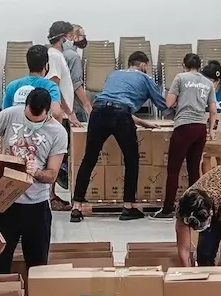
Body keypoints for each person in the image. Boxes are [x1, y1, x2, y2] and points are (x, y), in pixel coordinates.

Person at [0, 88, 69, 274]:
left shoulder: (58, 133)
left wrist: (36, 172)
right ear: (25, 106)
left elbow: (52, 174)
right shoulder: (10, 115)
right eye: (28, 118)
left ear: (48, 112)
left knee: (37, 268)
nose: (32, 123)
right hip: (6, 204)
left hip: (37, 207)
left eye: (37, 121)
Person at [71, 51, 167, 222]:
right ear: (143, 65)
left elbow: (112, 102)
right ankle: (128, 207)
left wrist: (143, 123)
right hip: (121, 115)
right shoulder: (146, 79)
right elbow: (162, 104)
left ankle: (76, 208)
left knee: (89, 159)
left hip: (98, 110)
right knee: (131, 160)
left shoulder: (114, 74)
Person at [161, 52, 218, 219]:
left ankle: (167, 208)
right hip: (200, 128)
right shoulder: (208, 82)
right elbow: (213, 111)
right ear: (200, 66)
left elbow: (169, 103)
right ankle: (195, 208)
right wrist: (211, 130)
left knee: (174, 169)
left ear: (184, 65)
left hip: (184, 126)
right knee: (194, 170)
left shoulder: (180, 78)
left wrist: (181, 100)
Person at [1, 45, 66, 120]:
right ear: (47, 65)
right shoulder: (51, 86)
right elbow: (56, 113)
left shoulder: (12, 86)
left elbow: (4, 114)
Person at [47, 22, 88, 120]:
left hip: (64, 112)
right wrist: (69, 112)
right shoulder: (55, 56)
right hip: (60, 112)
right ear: (62, 38)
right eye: (70, 37)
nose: (72, 40)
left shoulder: (59, 55)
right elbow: (54, 87)